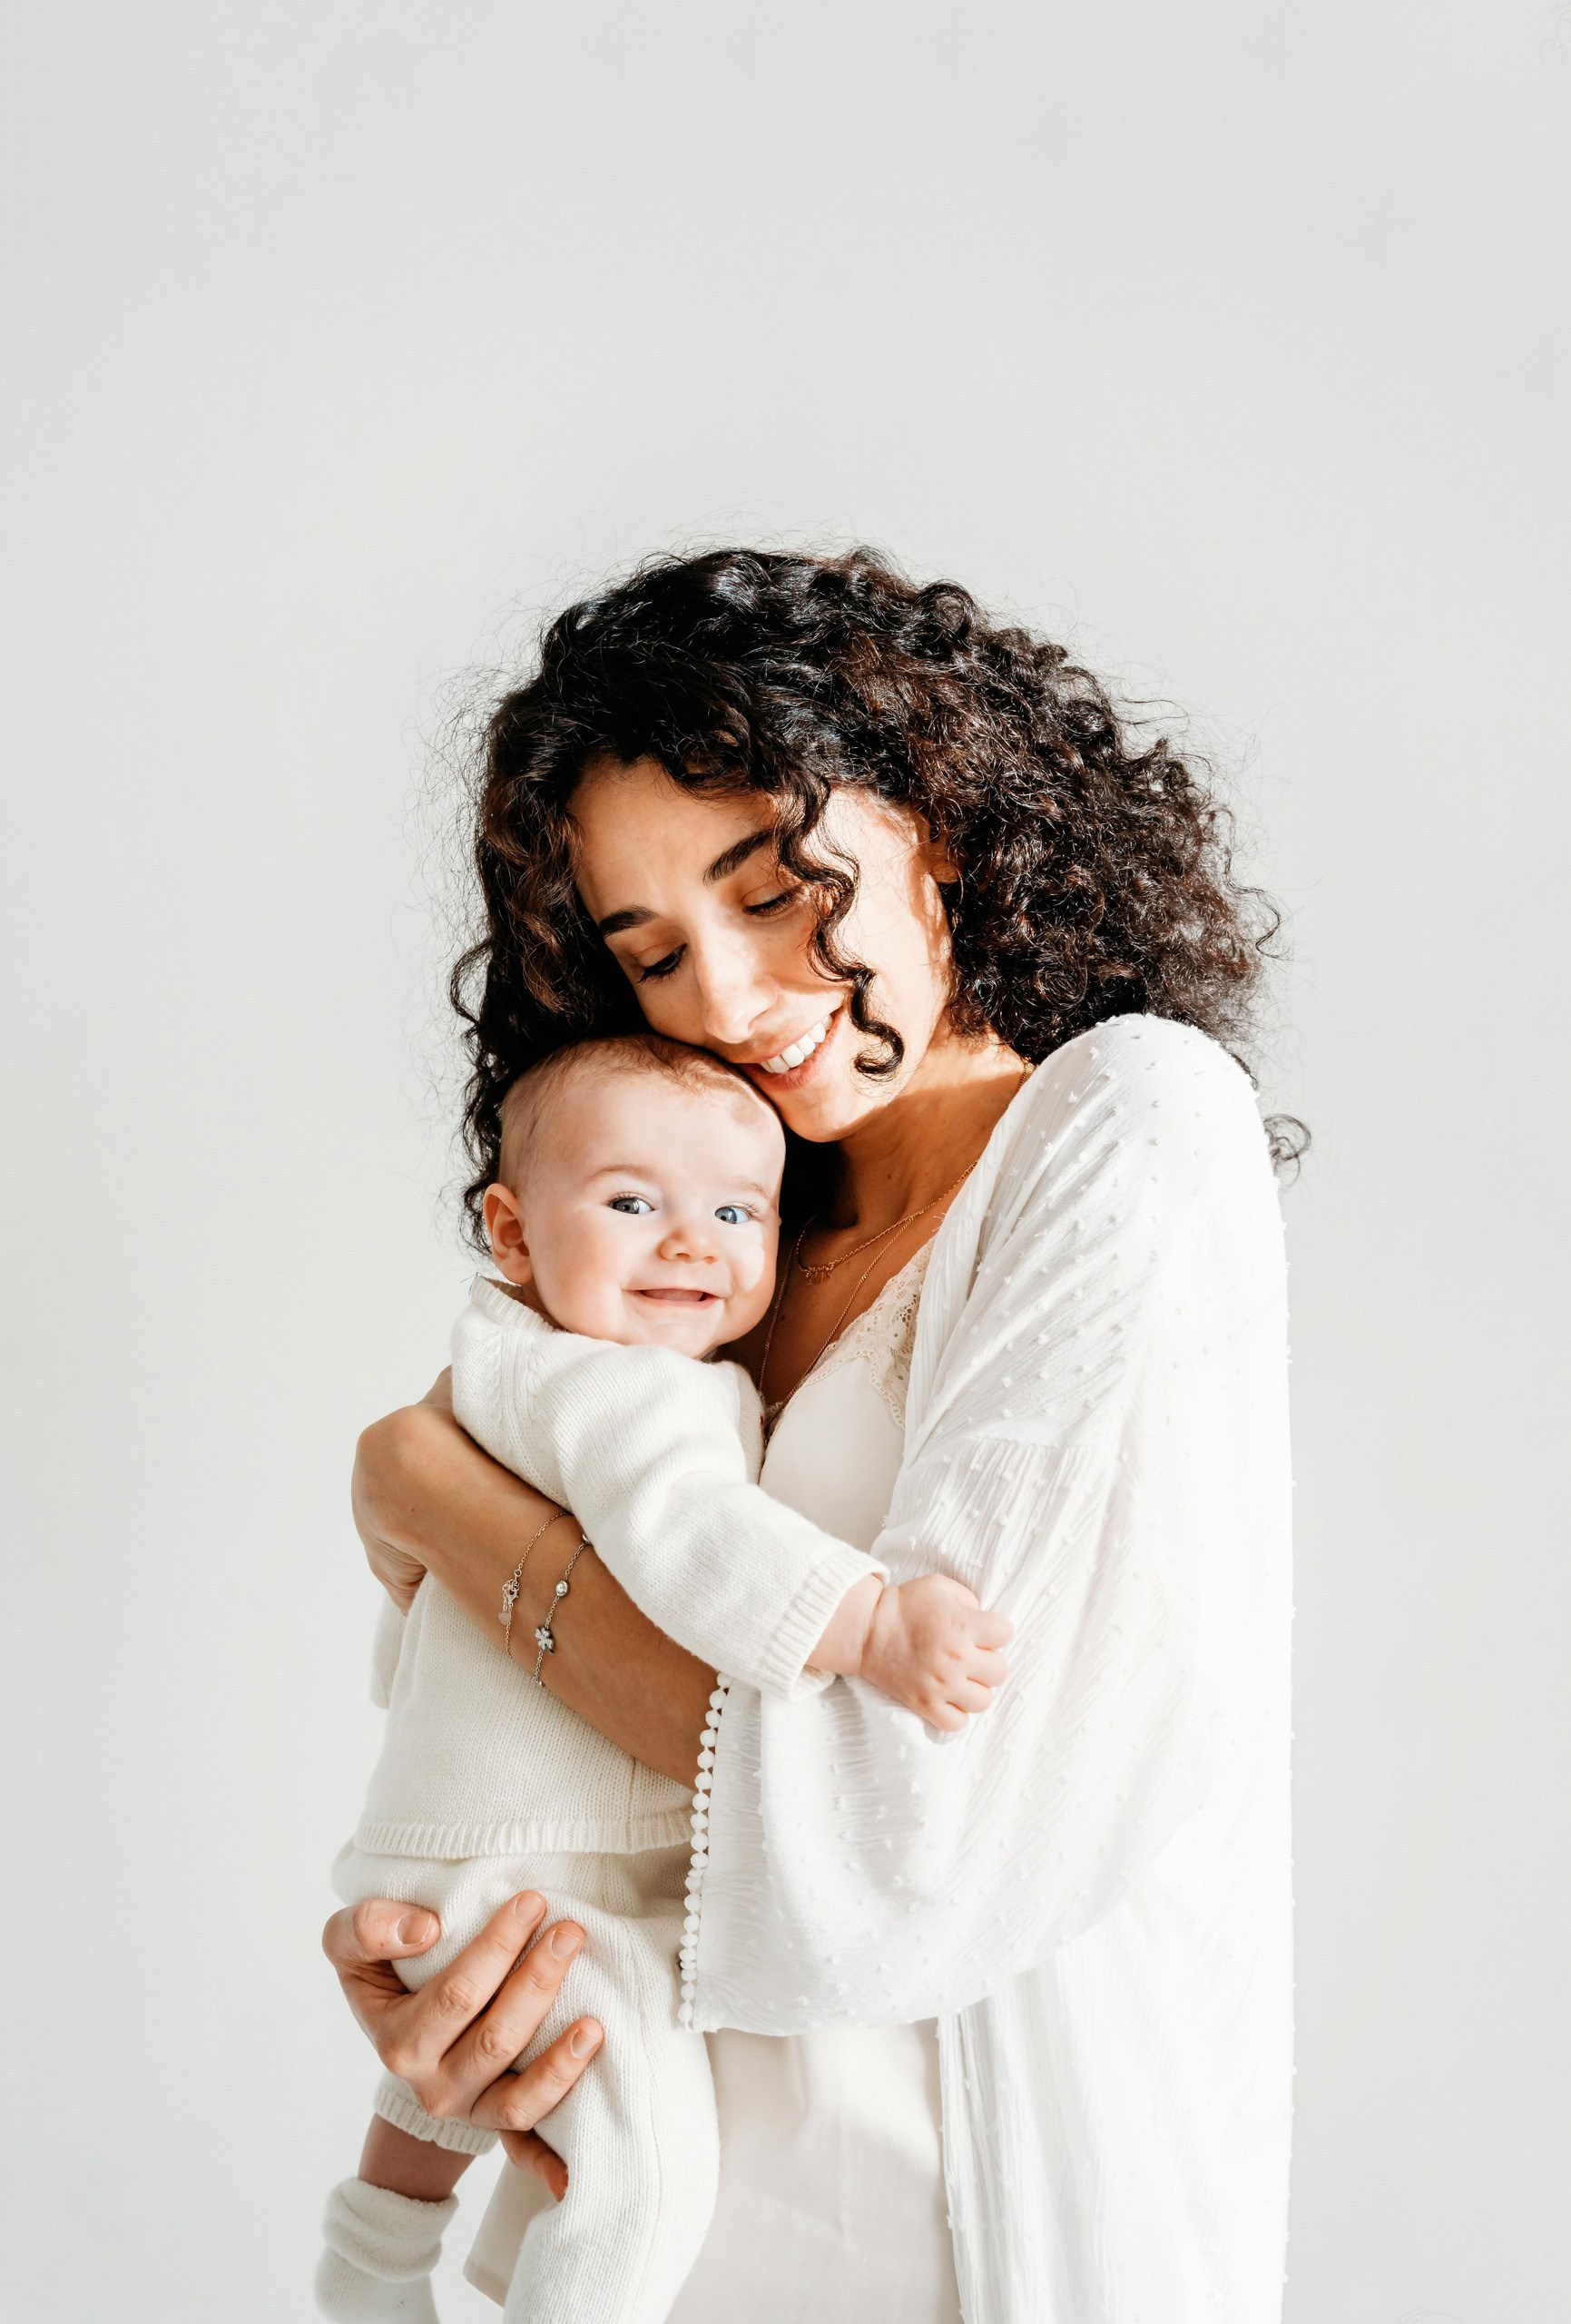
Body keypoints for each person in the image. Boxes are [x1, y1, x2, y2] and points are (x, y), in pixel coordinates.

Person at [326, 547, 1297, 2324]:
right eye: (650, 951)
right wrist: (458, 1941)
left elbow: (903, 1810)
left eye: (769, 888)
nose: (723, 995)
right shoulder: (732, 1230)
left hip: (978, 2233)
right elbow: (569, 1724)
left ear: (931, 791)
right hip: (657, 2218)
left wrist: (431, 1492)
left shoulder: (1129, 1128)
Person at [318, 1030, 1006, 2324]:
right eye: (634, 1203)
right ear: (512, 1232)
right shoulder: (624, 1397)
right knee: (645, 2170)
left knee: (469, 2059)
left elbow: (417, 1611)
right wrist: (869, 1626)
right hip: (543, 1864)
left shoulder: (501, 1361)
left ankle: (371, 2255)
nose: (694, 1242)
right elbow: (694, 1538)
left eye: (737, 1210)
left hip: (475, 1846)